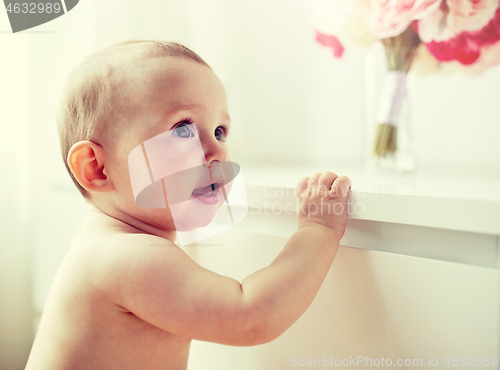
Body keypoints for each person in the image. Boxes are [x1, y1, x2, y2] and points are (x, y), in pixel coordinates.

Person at [25, 40, 351, 370]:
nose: (219, 152)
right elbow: (253, 316)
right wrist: (317, 230)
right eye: (183, 130)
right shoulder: (130, 257)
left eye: (220, 131)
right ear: (96, 168)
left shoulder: (104, 239)